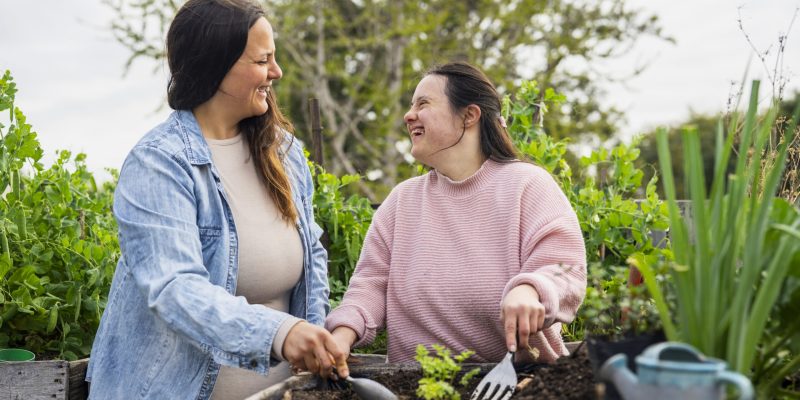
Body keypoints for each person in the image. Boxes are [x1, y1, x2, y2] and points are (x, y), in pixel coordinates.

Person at [86, 1, 347, 398]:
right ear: (217, 66)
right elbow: (175, 289)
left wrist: (310, 346)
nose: (276, 72)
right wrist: (279, 332)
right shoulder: (159, 163)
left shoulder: (284, 153)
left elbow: (311, 255)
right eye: (263, 60)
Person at [325, 62, 587, 364]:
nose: (408, 116)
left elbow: (565, 268)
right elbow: (369, 286)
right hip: (416, 384)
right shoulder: (402, 201)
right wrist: (341, 335)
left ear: (469, 116)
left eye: (423, 104)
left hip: (520, 380)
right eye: (411, 106)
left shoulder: (526, 185)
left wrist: (530, 290)